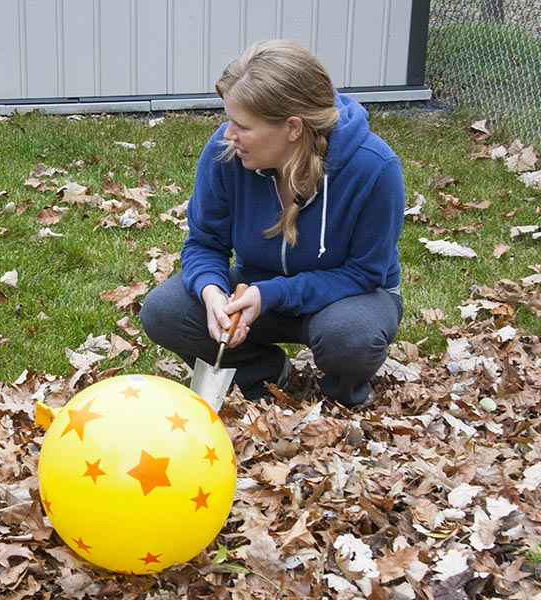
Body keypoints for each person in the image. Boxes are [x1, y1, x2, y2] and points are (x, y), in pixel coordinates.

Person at [140, 40, 405, 408]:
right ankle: (264, 376)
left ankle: (342, 400)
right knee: (164, 311)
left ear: (293, 128)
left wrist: (272, 293)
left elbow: (364, 273)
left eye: (242, 125)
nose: (228, 133)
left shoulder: (373, 167)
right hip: (257, 292)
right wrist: (212, 293)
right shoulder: (225, 152)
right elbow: (205, 243)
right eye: (229, 120)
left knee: (349, 338)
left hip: (348, 296)